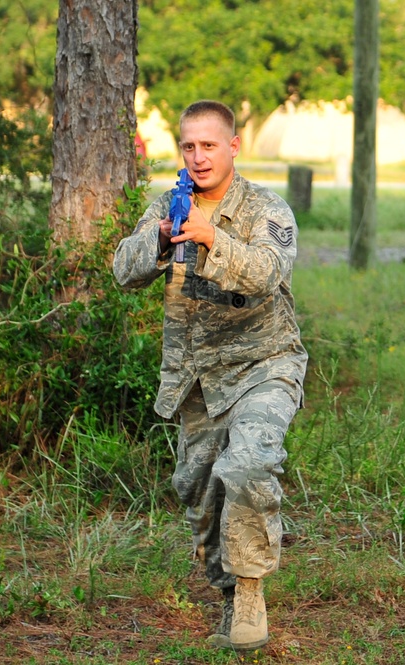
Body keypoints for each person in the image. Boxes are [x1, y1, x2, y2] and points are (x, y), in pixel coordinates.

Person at [113, 100, 307, 650]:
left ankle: (250, 594)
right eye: (189, 147)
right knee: (200, 496)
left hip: (263, 368)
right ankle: (227, 590)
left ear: (233, 147)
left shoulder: (267, 210)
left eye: (209, 145)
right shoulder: (169, 204)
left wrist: (207, 237)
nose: (198, 157)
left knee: (247, 465)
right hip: (195, 381)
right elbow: (123, 271)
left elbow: (267, 274)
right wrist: (160, 237)